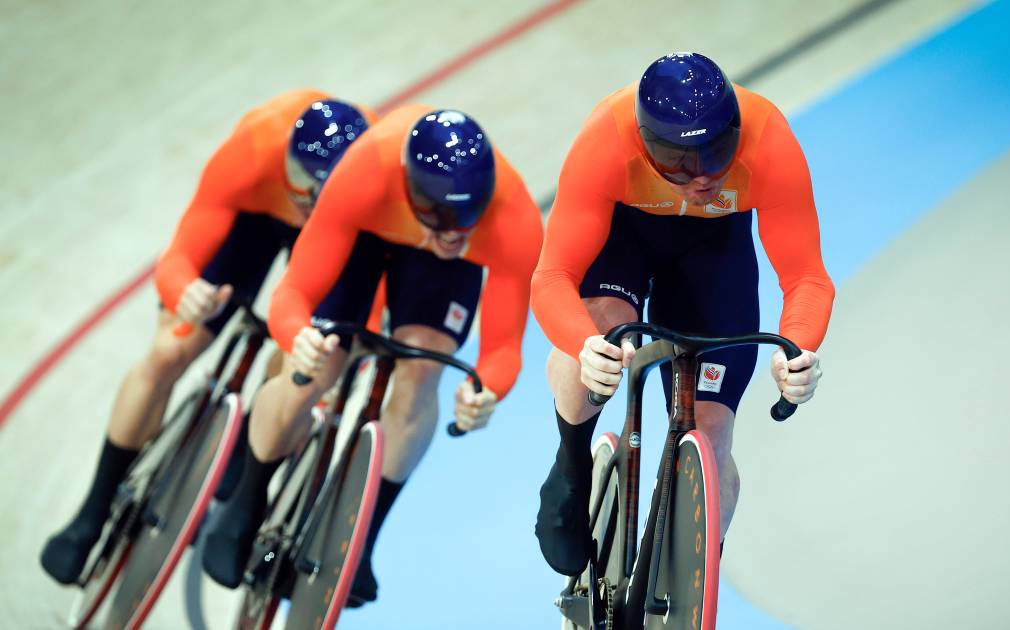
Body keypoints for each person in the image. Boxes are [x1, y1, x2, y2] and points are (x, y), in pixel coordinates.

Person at [201, 107, 543, 607]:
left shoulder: (513, 219)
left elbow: (501, 349)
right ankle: (247, 500)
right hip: (364, 230)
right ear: (409, 189)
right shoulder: (362, 174)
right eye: (440, 217)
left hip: (434, 268)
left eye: (466, 218)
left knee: (423, 370)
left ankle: (363, 539)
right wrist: (300, 336)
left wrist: (486, 390)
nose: (453, 232)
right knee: (319, 364)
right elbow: (293, 291)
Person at [39, 91, 374, 585]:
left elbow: (370, 285)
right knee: (169, 351)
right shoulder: (253, 151)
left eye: (320, 192)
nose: (307, 200)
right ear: (287, 162)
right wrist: (186, 291)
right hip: (255, 221)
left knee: (301, 370)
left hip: (335, 235)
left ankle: (245, 466)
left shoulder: (362, 190)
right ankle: (92, 509)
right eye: (302, 185)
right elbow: (179, 257)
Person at [530, 52, 835, 575]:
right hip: (625, 237)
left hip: (713, 251)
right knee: (599, 341)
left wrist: (799, 348)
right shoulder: (606, 140)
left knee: (713, 443)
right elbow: (551, 276)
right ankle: (571, 464)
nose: (701, 179)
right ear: (644, 145)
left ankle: (682, 582)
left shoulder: (769, 139)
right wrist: (585, 345)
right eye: (677, 163)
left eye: (717, 154)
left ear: (736, 132)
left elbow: (806, 276)